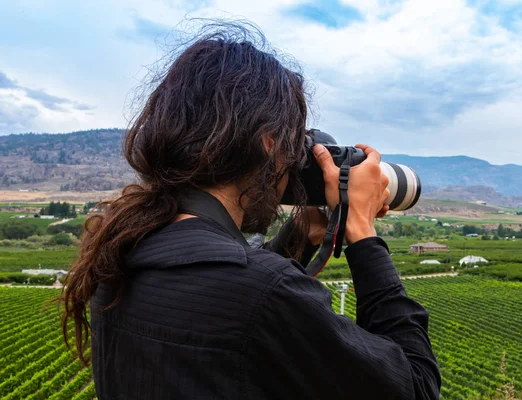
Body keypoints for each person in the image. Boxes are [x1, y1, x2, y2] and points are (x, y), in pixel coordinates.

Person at [59, 22, 441, 399]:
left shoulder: (121, 253)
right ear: (270, 143)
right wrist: (361, 227)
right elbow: (417, 386)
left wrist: (301, 234)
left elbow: (224, 305)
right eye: (293, 146)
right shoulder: (264, 293)